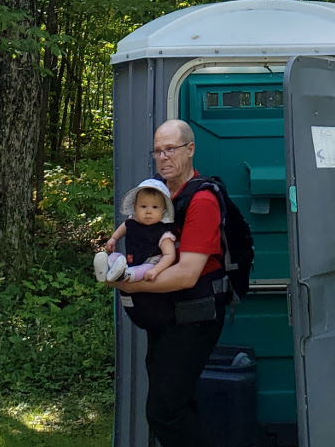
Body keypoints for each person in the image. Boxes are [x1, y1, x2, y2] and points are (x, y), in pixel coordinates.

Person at [105, 119, 229, 447]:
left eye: (171, 149)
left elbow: (187, 273)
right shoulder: (158, 196)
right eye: (158, 150)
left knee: (164, 411)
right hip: (167, 316)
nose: (163, 157)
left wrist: (130, 284)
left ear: (190, 150)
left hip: (194, 317)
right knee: (177, 403)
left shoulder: (202, 201)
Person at [94, 178, 177, 283]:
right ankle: (106, 268)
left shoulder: (163, 233)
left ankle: (125, 275)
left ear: (163, 211)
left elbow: (170, 255)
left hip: (150, 263)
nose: (148, 211)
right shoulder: (132, 222)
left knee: (144, 269)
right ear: (135, 208)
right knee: (116, 257)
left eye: (155, 207)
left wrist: (156, 270)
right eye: (143, 206)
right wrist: (114, 238)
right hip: (131, 261)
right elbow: (122, 228)